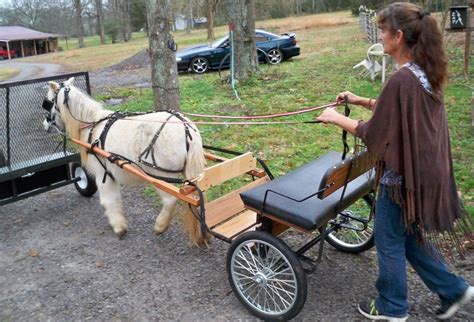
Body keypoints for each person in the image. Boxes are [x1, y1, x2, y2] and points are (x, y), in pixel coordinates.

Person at [317, 2, 473, 321]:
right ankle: (454, 289)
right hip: (424, 175)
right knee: (411, 239)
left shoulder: (402, 79)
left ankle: (392, 306)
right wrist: (360, 99)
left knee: (389, 241)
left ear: (398, 36)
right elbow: (398, 111)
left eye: (383, 31)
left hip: (401, 182)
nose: (380, 36)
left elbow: (374, 132)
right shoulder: (423, 71)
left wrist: (335, 118)